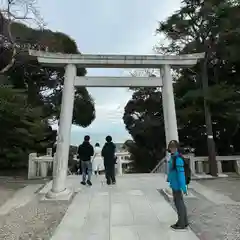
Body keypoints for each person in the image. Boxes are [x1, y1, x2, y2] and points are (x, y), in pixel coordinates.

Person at [167, 140, 188, 230]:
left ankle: (181, 223)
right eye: (171, 147)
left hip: (177, 185)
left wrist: (183, 187)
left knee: (179, 203)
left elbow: (181, 174)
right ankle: (184, 221)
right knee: (179, 203)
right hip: (174, 184)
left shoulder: (178, 159)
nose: (172, 149)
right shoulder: (173, 157)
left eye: (174, 147)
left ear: (177, 148)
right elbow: (172, 171)